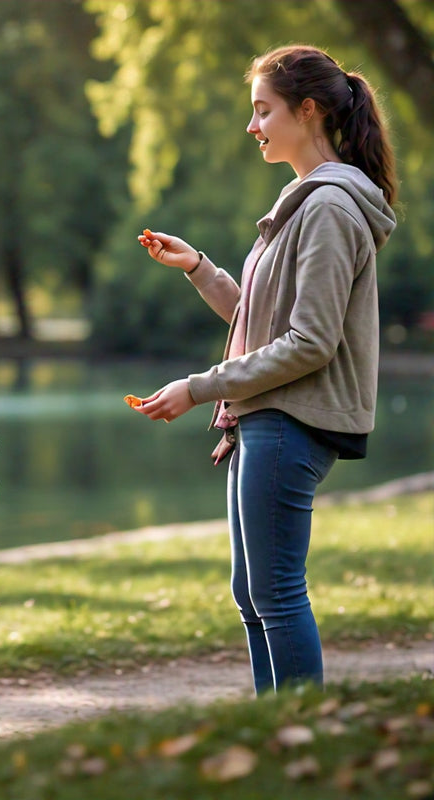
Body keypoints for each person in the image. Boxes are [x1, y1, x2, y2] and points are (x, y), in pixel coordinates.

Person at [133, 45, 397, 694]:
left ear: (307, 111)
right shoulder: (302, 201)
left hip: (291, 418)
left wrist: (197, 389)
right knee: (251, 594)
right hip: (263, 414)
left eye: (263, 110)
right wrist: (200, 267)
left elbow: (309, 344)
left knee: (275, 593)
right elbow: (260, 319)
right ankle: (273, 724)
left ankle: (301, 730)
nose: (253, 126)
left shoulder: (330, 208)